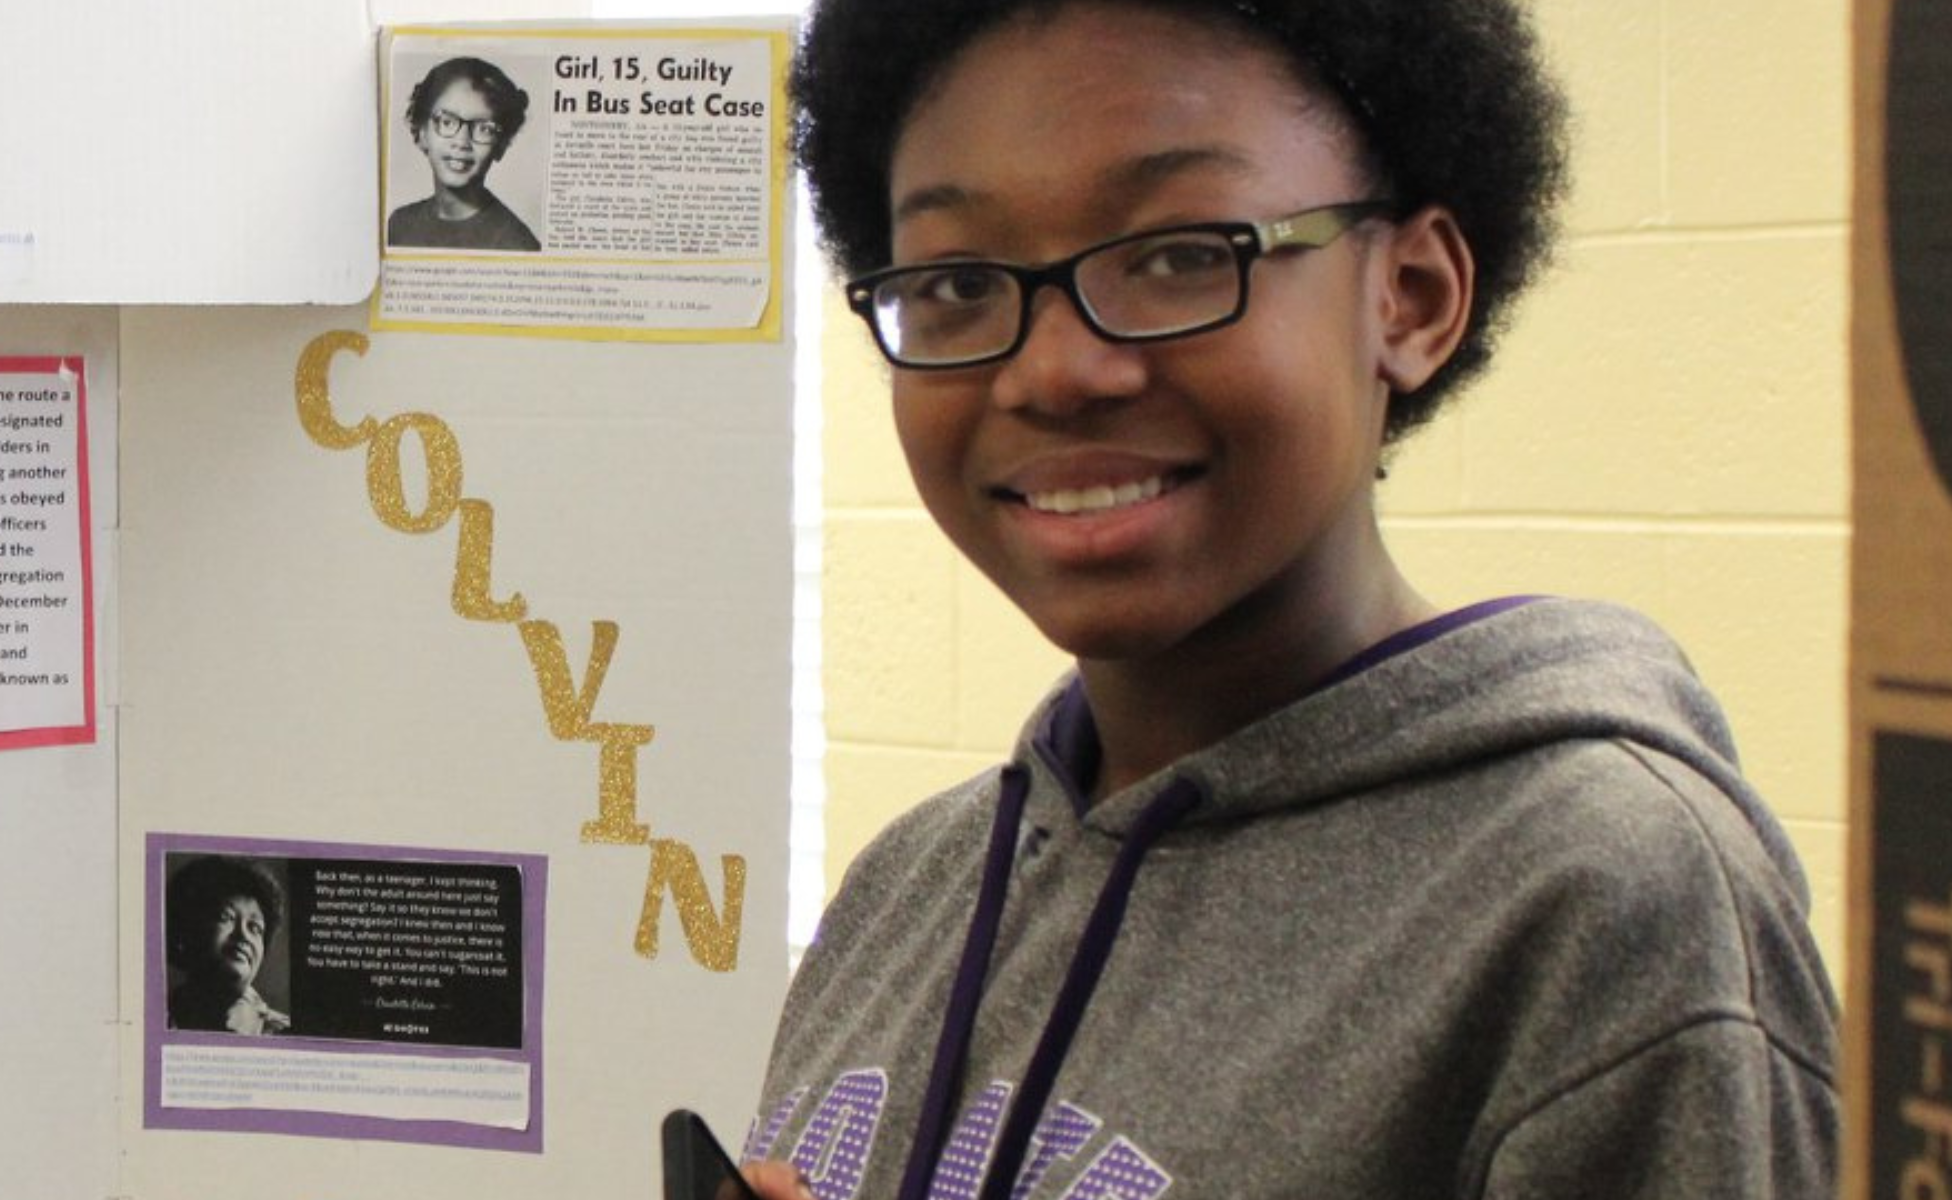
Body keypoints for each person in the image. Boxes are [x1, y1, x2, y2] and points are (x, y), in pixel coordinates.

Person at [740, 2, 1837, 1198]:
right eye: (958, 280)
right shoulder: (911, 888)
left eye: (1179, 256)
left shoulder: (1603, 901)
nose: (1052, 371)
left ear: (1410, 296)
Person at [385, 57, 543, 253]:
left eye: (484, 129)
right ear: (421, 133)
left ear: (500, 145)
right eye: (447, 122)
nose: (461, 142)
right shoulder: (399, 224)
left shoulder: (516, 245)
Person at [161, 855, 292, 1036]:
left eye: (255, 927)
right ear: (188, 929)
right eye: (226, 917)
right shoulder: (151, 1016)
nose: (243, 935)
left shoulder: (286, 1032)